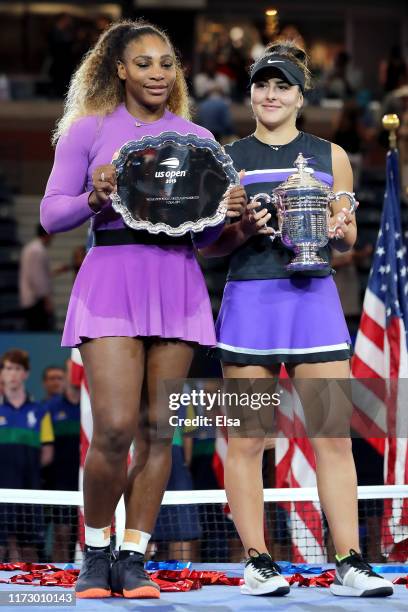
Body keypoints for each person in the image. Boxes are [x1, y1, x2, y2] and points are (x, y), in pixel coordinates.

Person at [40, 19, 243, 599]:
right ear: (120, 69)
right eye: (145, 63)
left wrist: (229, 217)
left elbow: (207, 243)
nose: (158, 73)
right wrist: (93, 196)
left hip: (178, 286)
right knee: (115, 429)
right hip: (111, 283)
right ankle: (96, 548)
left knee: (159, 434)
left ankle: (133, 557)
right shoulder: (87, 130)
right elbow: (52, 216)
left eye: (167, 64)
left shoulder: (199, 139)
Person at [200, 41, 394, 598]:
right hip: (249, 310)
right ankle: (258, 562)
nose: (270, 94)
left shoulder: (331, 155)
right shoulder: (227, 157)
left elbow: (349, 235)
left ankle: (349, 562)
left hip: (314, 305)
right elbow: (211, 246)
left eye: (282, 85)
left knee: (332, 437)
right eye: (262, 84)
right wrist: (244, 230)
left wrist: (336, 228)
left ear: (301, 95)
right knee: (248, 441)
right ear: (250, 92)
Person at [0, 349, 54, 562]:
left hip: (30, 491)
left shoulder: (40, 411)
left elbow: (48, 454)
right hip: (1, 492)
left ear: (26, 374)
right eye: (7, 368)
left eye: (17, 369)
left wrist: (25, 468)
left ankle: (29, 594)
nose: (12, 374)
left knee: (29, 551)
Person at [44, 359, 80, 563]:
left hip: (88, 484)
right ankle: (61, 578)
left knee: (88, 538)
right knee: (61, 535)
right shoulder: (49, 408)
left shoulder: (92, 406)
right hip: (60, 484)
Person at [19, 224, 54, 331]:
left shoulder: (30, 248)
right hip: (35, 302)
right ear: (47, 235)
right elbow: (37, 278)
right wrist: (46, 300)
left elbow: (36, 273)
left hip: (30, 300)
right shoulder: (38, 251)